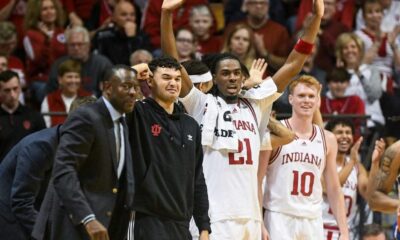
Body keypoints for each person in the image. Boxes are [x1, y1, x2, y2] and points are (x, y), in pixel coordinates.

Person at [161, 0, 324, 238]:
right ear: (214, 79)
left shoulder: (255, 102)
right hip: (213, 215)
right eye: (225, 73)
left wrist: (316, 19)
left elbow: (293, 63)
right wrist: (166, 16)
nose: (233, 78)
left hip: (249, 215)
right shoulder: (201, 104)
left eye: (237, 73)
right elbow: (173, 64)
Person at [32, 65, 139, 240]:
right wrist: (87, 218)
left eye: (136, 87)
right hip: (77, 225)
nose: (133, 92)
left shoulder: (121, 121)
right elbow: (63, 172)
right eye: (126, 86)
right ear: (107, 88)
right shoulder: (86, 116)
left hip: (108, 225)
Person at [128, 56, 210, 239]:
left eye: (177, 79)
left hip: (182, 223)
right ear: (149, 81)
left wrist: (204, 226)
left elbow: (197, 178)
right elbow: (111, 100)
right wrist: (133, 72)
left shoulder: (190, 125)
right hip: (148, 219)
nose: (173, 83)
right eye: (166, 78)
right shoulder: (138, 112)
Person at [262, 76, 349, 239]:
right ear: (290, 99)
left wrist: (344, 231)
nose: (306, 100)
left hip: (313, 219)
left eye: (311, 96)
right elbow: (257, 180)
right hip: (279, 216)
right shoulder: (276, 133)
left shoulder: (328, 139)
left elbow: (334, 188)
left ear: (318, 101)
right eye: (301, 95)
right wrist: (259, 222)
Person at [0, 96, 96, 240]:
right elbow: (21, 203)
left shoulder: (80, 146)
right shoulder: (39, 148)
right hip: (7, 212)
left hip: (35, 206)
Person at [322, 120, 385, 239]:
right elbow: (328, 188)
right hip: (320, 230)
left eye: (348, 132)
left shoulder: (357, 167)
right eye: (339, 132)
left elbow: (368, 193)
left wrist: (375, 164)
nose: (345, 136)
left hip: (345, 233)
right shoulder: (321, 161)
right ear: (329, 136)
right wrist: (351, 161)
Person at [47, 26, 113, 97]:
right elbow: (51, 92)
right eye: (72, 45)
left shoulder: (102, 64)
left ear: (88, 45)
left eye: (80, 44)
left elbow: (110, 93)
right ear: (67, 46)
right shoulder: (59, 65)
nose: (76, 48)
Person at [23, 0, 66, 104]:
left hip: (63, 79)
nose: (49, 11)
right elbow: (38, 62)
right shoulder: (30, 35)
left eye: (52, 8)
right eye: (44, 9)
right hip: (42, 81)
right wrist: (47, 40)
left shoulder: (62, 32)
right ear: (37, 13)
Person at [0, 70, 45, 162]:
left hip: (28, 171)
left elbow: (43, 147)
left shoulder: (34, 116)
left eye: (15, 89)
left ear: (20, 88)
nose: (12, 95)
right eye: (7, 90)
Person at [92, 0, 151, 65]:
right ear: (114, 17)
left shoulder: (142, 36)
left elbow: (141, 62)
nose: (129, 18)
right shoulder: (103, 36)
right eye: (124, 14)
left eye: (132, 14)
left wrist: (132, 39)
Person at [41, 59, 92, 127]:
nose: (73, 81)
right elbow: (45, 130)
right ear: (60, 79)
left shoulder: (90, 98)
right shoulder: (49, 100)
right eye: (69, 77)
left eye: (76, 77)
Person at [320, 68, 366, 140]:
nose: (339, 85)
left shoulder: (356, 100)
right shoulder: (321, 101)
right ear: (328, 84)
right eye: (335, 81)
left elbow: (359, 125)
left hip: (349, 141)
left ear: (348, 83)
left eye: (342, 82)